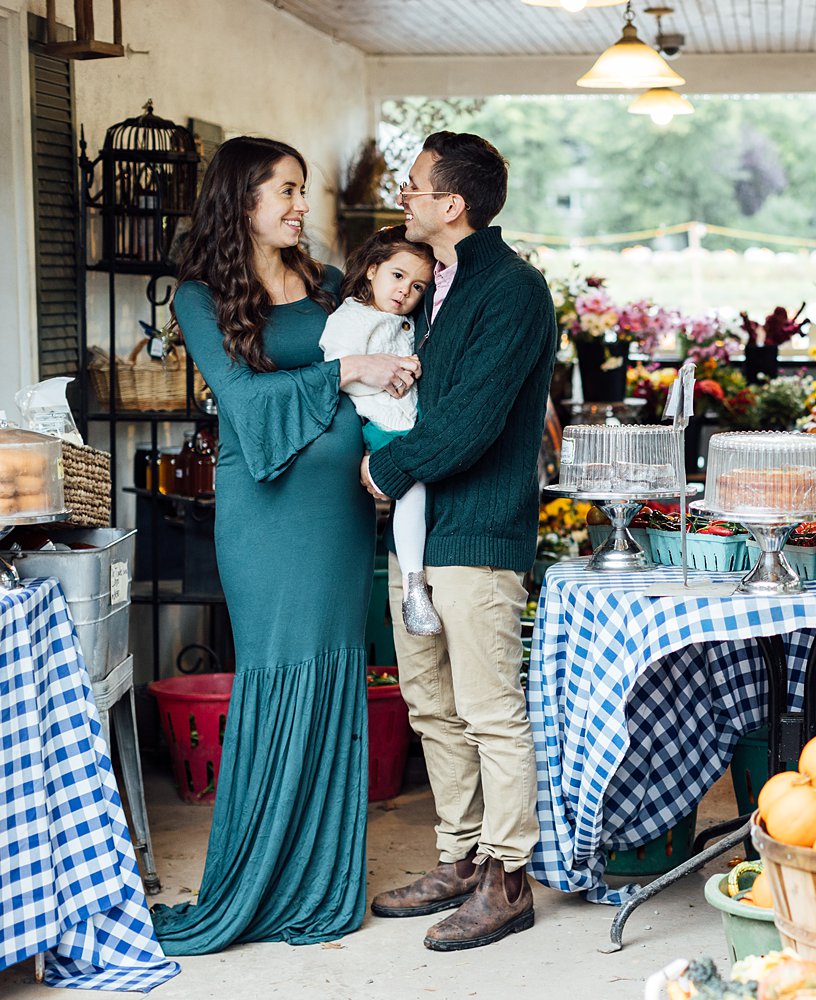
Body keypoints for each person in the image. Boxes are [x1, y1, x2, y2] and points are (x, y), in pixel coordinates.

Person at [151, 136, 418, 955]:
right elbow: (239, 398)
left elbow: (390, 354)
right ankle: (258, 877)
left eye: (302, 191)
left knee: (334, 674)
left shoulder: (327, 282)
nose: (302, 205)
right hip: (267, 516)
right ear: (244, 201)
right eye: (288, 191)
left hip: (341, 511)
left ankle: (321, 878)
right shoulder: (200, 298)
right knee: (278, 676)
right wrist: (345, 373)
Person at [362, 131, 557, 953]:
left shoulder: (511, 290)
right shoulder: (440, 284)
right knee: (434, 709)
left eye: (414, 187)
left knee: (488, 714)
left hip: (476, 533)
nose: (402, 196)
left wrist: (387, 467)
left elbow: (471, 423)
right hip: (422, 540)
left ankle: (507, 880)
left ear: (453, 203)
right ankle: (460, 858)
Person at [320, 226, 442, 635]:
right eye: (397, 275)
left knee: (424, 488)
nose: (406, 290)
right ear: (372, 270)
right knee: (414, 487)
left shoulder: (402, 320)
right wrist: (386, 374)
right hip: (386, 424)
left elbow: (408, 362)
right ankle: (413, 585)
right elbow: (338, 369)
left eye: (418, 285)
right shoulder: (353, 315)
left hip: (410, 420)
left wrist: (413, 368)